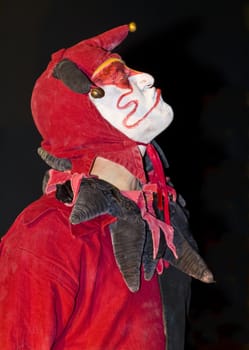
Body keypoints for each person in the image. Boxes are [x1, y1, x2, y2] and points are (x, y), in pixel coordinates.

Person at [0, 22, 213, 349]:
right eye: (118, 75)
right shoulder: (46, 235)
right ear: (79, 112)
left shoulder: (161, 227)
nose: (145, 78)